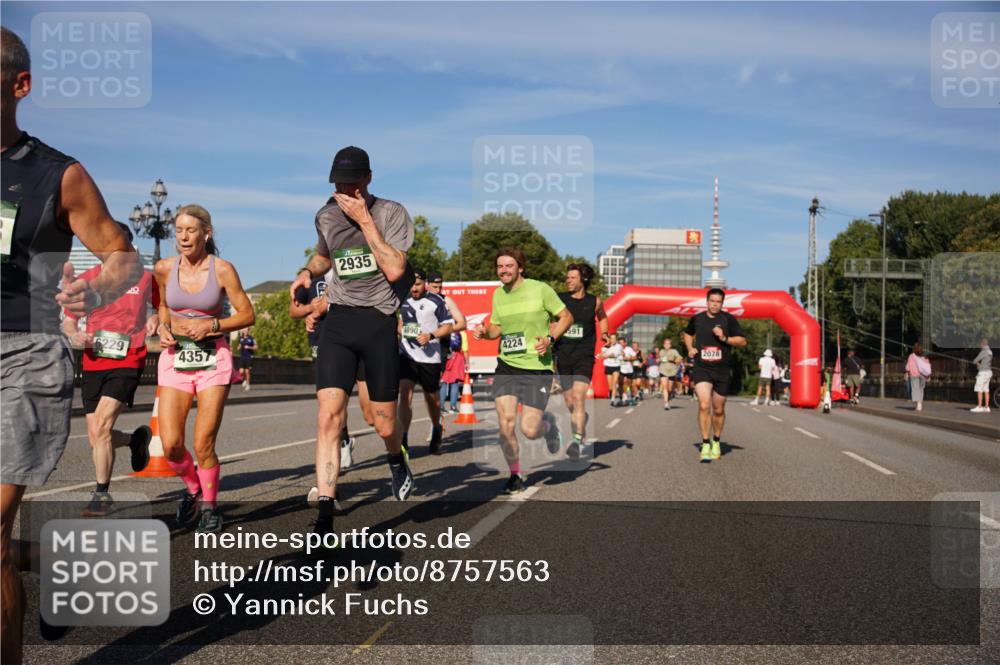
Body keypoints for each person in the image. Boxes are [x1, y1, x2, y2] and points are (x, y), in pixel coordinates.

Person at [1, 26, 141, 664]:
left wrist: (93, 284)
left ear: (18, 86)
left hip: (23, 353)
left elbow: (124, 256)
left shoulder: (59, 175)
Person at [289, 146, 415, 537]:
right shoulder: (326, 214)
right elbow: (325, 255)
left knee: (382, 423)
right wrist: (307, 271)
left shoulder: (392, 213)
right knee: (328, 416)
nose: (343, 190)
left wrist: (364, 220)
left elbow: (395, 268)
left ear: (368, 179)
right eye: (338, 183)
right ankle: (325, 513)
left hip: (378, 321)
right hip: (339, 320)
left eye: (351, 183)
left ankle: (396, 457)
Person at [155, 205, 254, 534]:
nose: (183, 236)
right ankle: (194, 489)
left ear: (206, 234)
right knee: (170, 444)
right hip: (175, 357)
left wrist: (214, 324)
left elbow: (246, 314)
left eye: (190, 230)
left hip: (212, 359)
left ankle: (210, 509)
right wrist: (162, 327)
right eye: (179, 231)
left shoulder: (223, 269)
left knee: (203, 443)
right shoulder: (164, 268)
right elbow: (163, 306)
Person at [61, 223, 156, 516]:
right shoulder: (88, 280)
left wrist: (156, 322)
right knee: (96, 435)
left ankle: (101, 496)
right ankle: (134, 440)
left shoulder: (146, 277)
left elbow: (162, 309)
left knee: (102, 426)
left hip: (129, 358)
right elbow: (69, 320)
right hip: (93, 360)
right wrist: (74, 333)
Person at [473, 247, 572, 493]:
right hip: (507, 365)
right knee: (505, 423)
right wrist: (486, 333)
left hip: (537, 368)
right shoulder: (498, 295)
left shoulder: (540, 289)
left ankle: (548, 427)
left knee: (529, 429)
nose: (503, 270)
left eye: (508, 266)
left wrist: (549, 339)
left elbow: (566, 317)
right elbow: (497, 328)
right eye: (500, 266)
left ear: (520, 267)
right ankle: (515, 474)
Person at [290, 268, 357, 471]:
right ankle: (342, 441)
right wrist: (312, 307)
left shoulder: (347, 269)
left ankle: (345, 438)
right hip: (321, 343)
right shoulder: (309, 279)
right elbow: (293, 311)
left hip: (351, 338)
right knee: (331, 401)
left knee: (369, 412)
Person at [682, 289, 748, 462]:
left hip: (722, 369)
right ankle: (705, 442)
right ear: (707, 301)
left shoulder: (728, 319)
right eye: (712, 301)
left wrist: (725, 338)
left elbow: (742, 341)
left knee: (718, 409)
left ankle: (716, 440)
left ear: (722, 303)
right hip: (702, 367)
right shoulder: (697, 319)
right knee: (704, 405)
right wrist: (690, 348)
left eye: (718, 302)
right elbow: (687, 334)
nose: (715, 304)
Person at [553, 263, 608, 459]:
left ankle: (576, 441)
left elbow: (602, 318)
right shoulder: (559, 299)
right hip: (563, 354)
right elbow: (552, 320)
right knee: (570, 402)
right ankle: (580, 424)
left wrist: (606, 333)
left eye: (572, 278)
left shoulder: (594, 301)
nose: (568, 280)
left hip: (584, 355)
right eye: (567, 277)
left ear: (582, 280)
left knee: (578, 397)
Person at [398, 269, 454, 455]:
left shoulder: (436, 301)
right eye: (412, 284)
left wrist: (431, 335)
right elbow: (400, 322)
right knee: (405, 393)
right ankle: (403, 436)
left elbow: (448, 326)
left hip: (430, 358)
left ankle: (436, 427)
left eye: (418, 284)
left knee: (432, 399)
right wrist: (401, 331)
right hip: (407, 354)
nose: (414, 288)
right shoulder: (402, 299)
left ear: (425, 284)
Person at [439, 332, 465, 415]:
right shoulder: (461, 333)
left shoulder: (441, 330)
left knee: (443, 382)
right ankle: (453, 407)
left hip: (443, 357)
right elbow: (465, 349)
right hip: (456, 357)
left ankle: (441, 407)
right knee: (455, 382)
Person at [905, 342, 931, 412]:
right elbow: (927, 366)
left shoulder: (911, 356)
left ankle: (918, 404)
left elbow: (908, 367)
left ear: (914, 349)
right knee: (921, 389)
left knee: (915, 390)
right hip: (923, 375)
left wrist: (907, 373)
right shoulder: (924, 356)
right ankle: (920, 404)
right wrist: (928, 376)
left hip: (914, 375)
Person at [659, 339, 682, 410]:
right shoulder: (661, 351)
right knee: (665, 387)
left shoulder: (674, 351)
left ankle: (670, 394)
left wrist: (674, 360)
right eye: (665, 344)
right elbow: (660, 359)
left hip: (672, 371)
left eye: (668, 344)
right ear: (663, 345)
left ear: (670, 345)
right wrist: (658, 360)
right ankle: (666, 403)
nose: (667, 345)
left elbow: (680, 359)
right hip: (663, 370)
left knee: (669, 389)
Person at [971, 338, 993, 413]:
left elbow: (975, 360)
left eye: (980, 344)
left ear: (982, 344)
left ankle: (980, 406)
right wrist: (980, 365)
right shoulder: (990, 351)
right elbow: (986, 363)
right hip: (989, 372)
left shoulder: (984, 351)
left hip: (983, 373)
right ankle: (987, 407)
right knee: (986, 389)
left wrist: (977, 364)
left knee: (979, 388)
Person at [601, 333, 623, 406]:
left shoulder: (619, 346)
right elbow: (602, 355)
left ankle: (613, 399)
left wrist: (608, 355)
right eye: (611, 338)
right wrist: (605, 354)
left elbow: (615, 354)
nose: (613, 340)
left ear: (616, 339)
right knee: (610, 386)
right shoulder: (605, 346)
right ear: (609, 339)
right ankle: (612, 392)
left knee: (614, 382)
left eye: (614, 338)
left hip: (616, 366)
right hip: (608, 366)